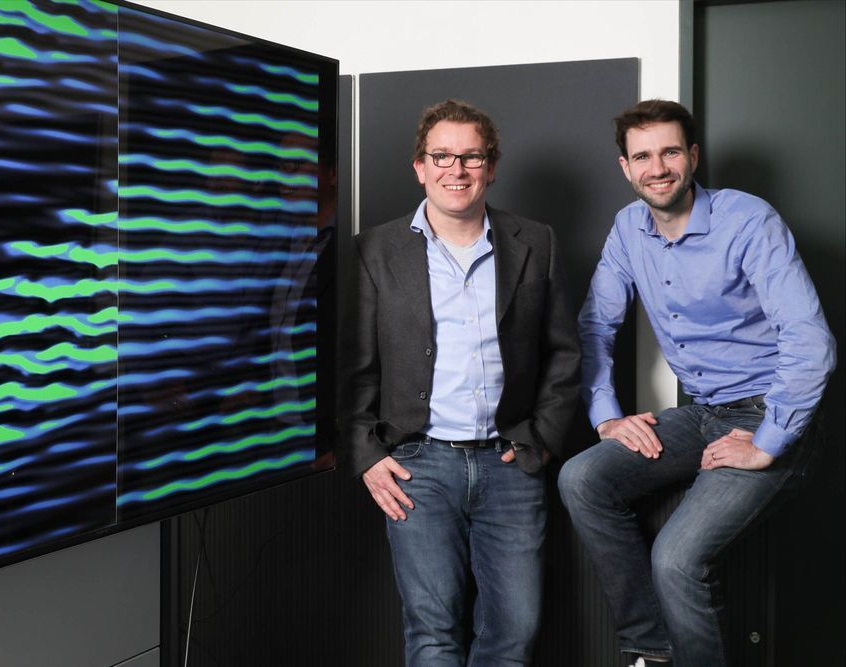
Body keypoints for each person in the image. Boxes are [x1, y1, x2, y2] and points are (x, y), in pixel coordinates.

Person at [558, 99, 836, 667]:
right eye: (642, 156)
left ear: (693, 156)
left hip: (771, 415)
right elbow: (595, 326)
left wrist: (767, 443)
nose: (657, 168)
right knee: (581, 478)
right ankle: (652, 649)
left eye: (669, 152)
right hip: (704, 412)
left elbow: (811, 341)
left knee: (676, 559)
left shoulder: (748, 220)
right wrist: (606, 416)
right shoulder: (628, 228)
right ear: (625, 167)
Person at [342, 99, 580, 666]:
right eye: (442, 156)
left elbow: (564, 353)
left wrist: (541, 441)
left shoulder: (535, 241)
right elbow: (353, 366)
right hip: (416, 465)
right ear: (420, 167)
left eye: (471, 157)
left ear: (490, 167)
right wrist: (365, 455)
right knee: (433, 631)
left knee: (515, 631)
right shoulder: (374, 249)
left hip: (511, 464)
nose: (457, 169)